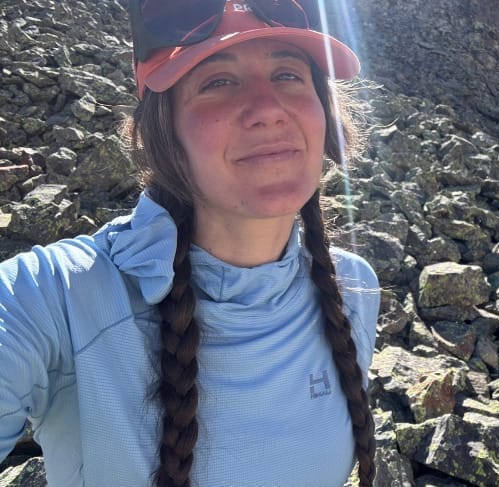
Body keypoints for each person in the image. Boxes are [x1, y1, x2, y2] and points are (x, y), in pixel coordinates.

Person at [0, 1, 380, 486]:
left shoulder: (353, 289)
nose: (268, 109)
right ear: (159, 134)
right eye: (217, 82)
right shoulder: (56, 300)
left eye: (288, 75)